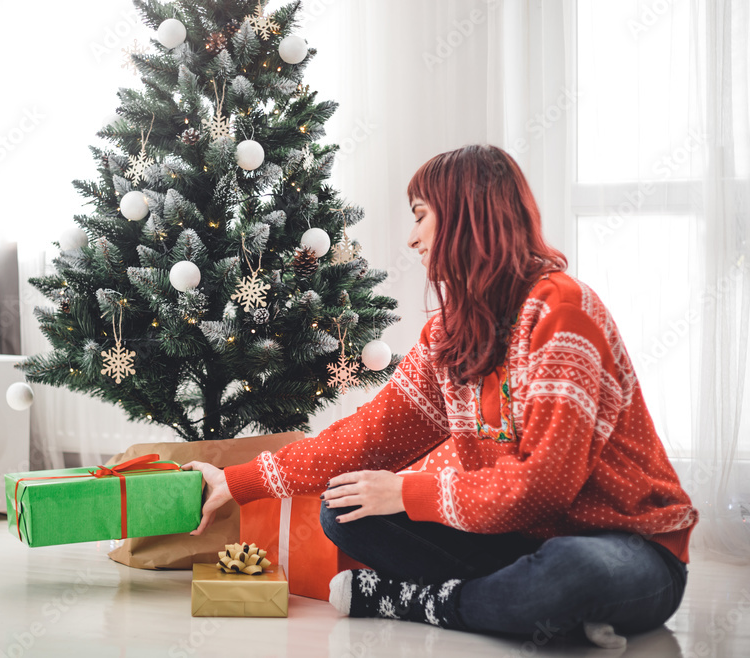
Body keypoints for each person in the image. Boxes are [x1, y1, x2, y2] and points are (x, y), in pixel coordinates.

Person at [183, 144, 696, 649]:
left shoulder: (562, 312)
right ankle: (522, 608)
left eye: (421, 216)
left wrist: (407, 492)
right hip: (520, 543)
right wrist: (237, 480)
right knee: (345, 509)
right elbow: (370, 436)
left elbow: (545, 486)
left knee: (569, 573)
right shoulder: (449, 334)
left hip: (628, 547)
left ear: (466, 215)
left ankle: (418, 601)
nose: (412, 239)